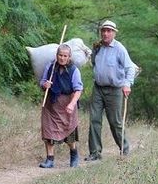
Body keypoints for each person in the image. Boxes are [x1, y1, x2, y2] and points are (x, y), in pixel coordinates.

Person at [85, 20, 136, 160]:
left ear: (114, 33)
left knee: (115, 121)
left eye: (109, 31)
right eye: (104, 30)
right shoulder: (97, 47)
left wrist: (127, 84)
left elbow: (130, 67)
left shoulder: (119, 49)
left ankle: (124, 150)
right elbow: (94, 63)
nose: (106, 33)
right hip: (98, 88)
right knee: (94, 120)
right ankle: (95, 153)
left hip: (115, 90)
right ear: (101, 32)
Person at [39, 44, 83, 168]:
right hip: (51, 103)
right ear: (56, 55)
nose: (62, 58)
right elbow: (42, 81)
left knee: (69, 131)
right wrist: (45, 85)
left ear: (69, 57)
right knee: (48, 130)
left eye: (65, 56)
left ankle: (74, 155)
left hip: (67, 103)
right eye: (60, 55)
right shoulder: (50, 66)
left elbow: (78, 89)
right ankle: (50, 159)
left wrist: (72, 104)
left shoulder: (74, 70)